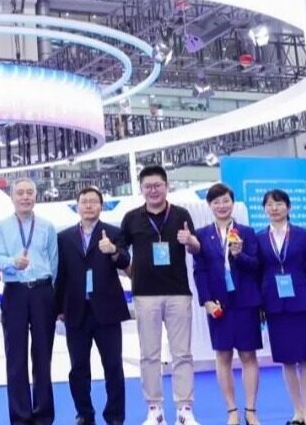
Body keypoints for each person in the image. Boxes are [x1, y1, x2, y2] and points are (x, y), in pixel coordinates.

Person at [117, 164, 201, 425]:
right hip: (145, 295)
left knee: (182, 354)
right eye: (148, 186)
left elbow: (196, 249)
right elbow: (120, 253)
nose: (153, 190)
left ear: (167, 186)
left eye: (157, 185)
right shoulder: (132, 218)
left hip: (178, 293)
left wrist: (190, 241)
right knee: (149, 355)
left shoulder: (181, 214)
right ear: (141, 189)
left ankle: (184, 409)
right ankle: (155, 409)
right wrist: (133, 272)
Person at [55, 186, 131, 425]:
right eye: (84, 201)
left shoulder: (114, 232)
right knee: (78, 368)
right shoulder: (64, 237)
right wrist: (58, 308)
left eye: (93, 201)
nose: (89, 205)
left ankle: (115, 416)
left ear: (101, 206)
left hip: (107, 310)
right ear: (77, 206)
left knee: (113, 366)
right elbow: (60, 274)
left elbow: (125, 261)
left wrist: (113, 251)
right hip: (76, 311)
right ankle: (84, 414)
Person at [191, 183, 262, 425]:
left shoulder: (247, 233)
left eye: (226, 201)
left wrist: (239, 255)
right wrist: (206, 301)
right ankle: (231, 410)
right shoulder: (201, 235)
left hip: (245, 302)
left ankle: (250, 410)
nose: (222, 206)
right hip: (218, 303)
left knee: (248, 355)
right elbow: (199, 271)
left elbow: (256, 266)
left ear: (233, 203)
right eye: (216, 202)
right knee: (222, 355)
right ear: (209, 205)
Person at [255, 189, 306, 425]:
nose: (274, 208)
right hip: (274, 304)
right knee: (286, 360)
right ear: (264, 209)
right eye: (269, 205)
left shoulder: (302, 234)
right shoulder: (258, 238)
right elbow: (257, 271)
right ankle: (297, 411)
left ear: (288, 207)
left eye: (278, 203)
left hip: (302, 303)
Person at [0, 177, 58, 425]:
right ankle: (20, 417)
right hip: (15, 292)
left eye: (29, 192)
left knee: (43, 355)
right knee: (15, 357)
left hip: (42, 291)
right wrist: (13, 263)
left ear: (35, 196)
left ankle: (43, 416)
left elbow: (54, 262)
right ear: (12, 197)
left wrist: (53, 294)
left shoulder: (47, 227)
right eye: (20, 193)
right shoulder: (1, 227)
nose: (25, 197)